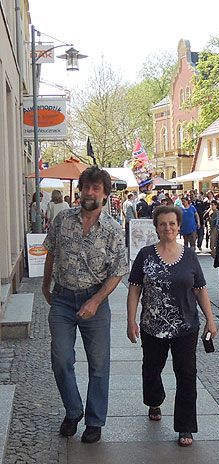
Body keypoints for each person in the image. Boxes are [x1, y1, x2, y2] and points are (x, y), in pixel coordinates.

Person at [42, 166, 129, 444]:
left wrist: (96, 300)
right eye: (86, 187)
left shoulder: (113, 230)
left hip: (96, 300)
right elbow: (51, 252)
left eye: (96, 189)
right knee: (61, 359)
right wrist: (46, 286)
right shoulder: (63, 220)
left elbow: (117, 271)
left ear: (104, 195)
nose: (89, 193)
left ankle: (94, 421)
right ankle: (73, 410)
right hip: (63, 299)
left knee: (99, 365)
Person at [127, 205, 217, 447]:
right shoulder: (145, 255)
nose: (168, 227)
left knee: (187, 375)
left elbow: (200, 289)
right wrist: (131, 320)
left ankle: (185, 426)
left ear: (179, 226)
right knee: (152, 368)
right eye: (163, 224)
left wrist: (210, 318)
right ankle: (154, 400)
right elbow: (134, 288)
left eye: (172, 223)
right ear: (156, 227)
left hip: (186, 325)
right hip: (152, 325)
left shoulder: (189, 255)